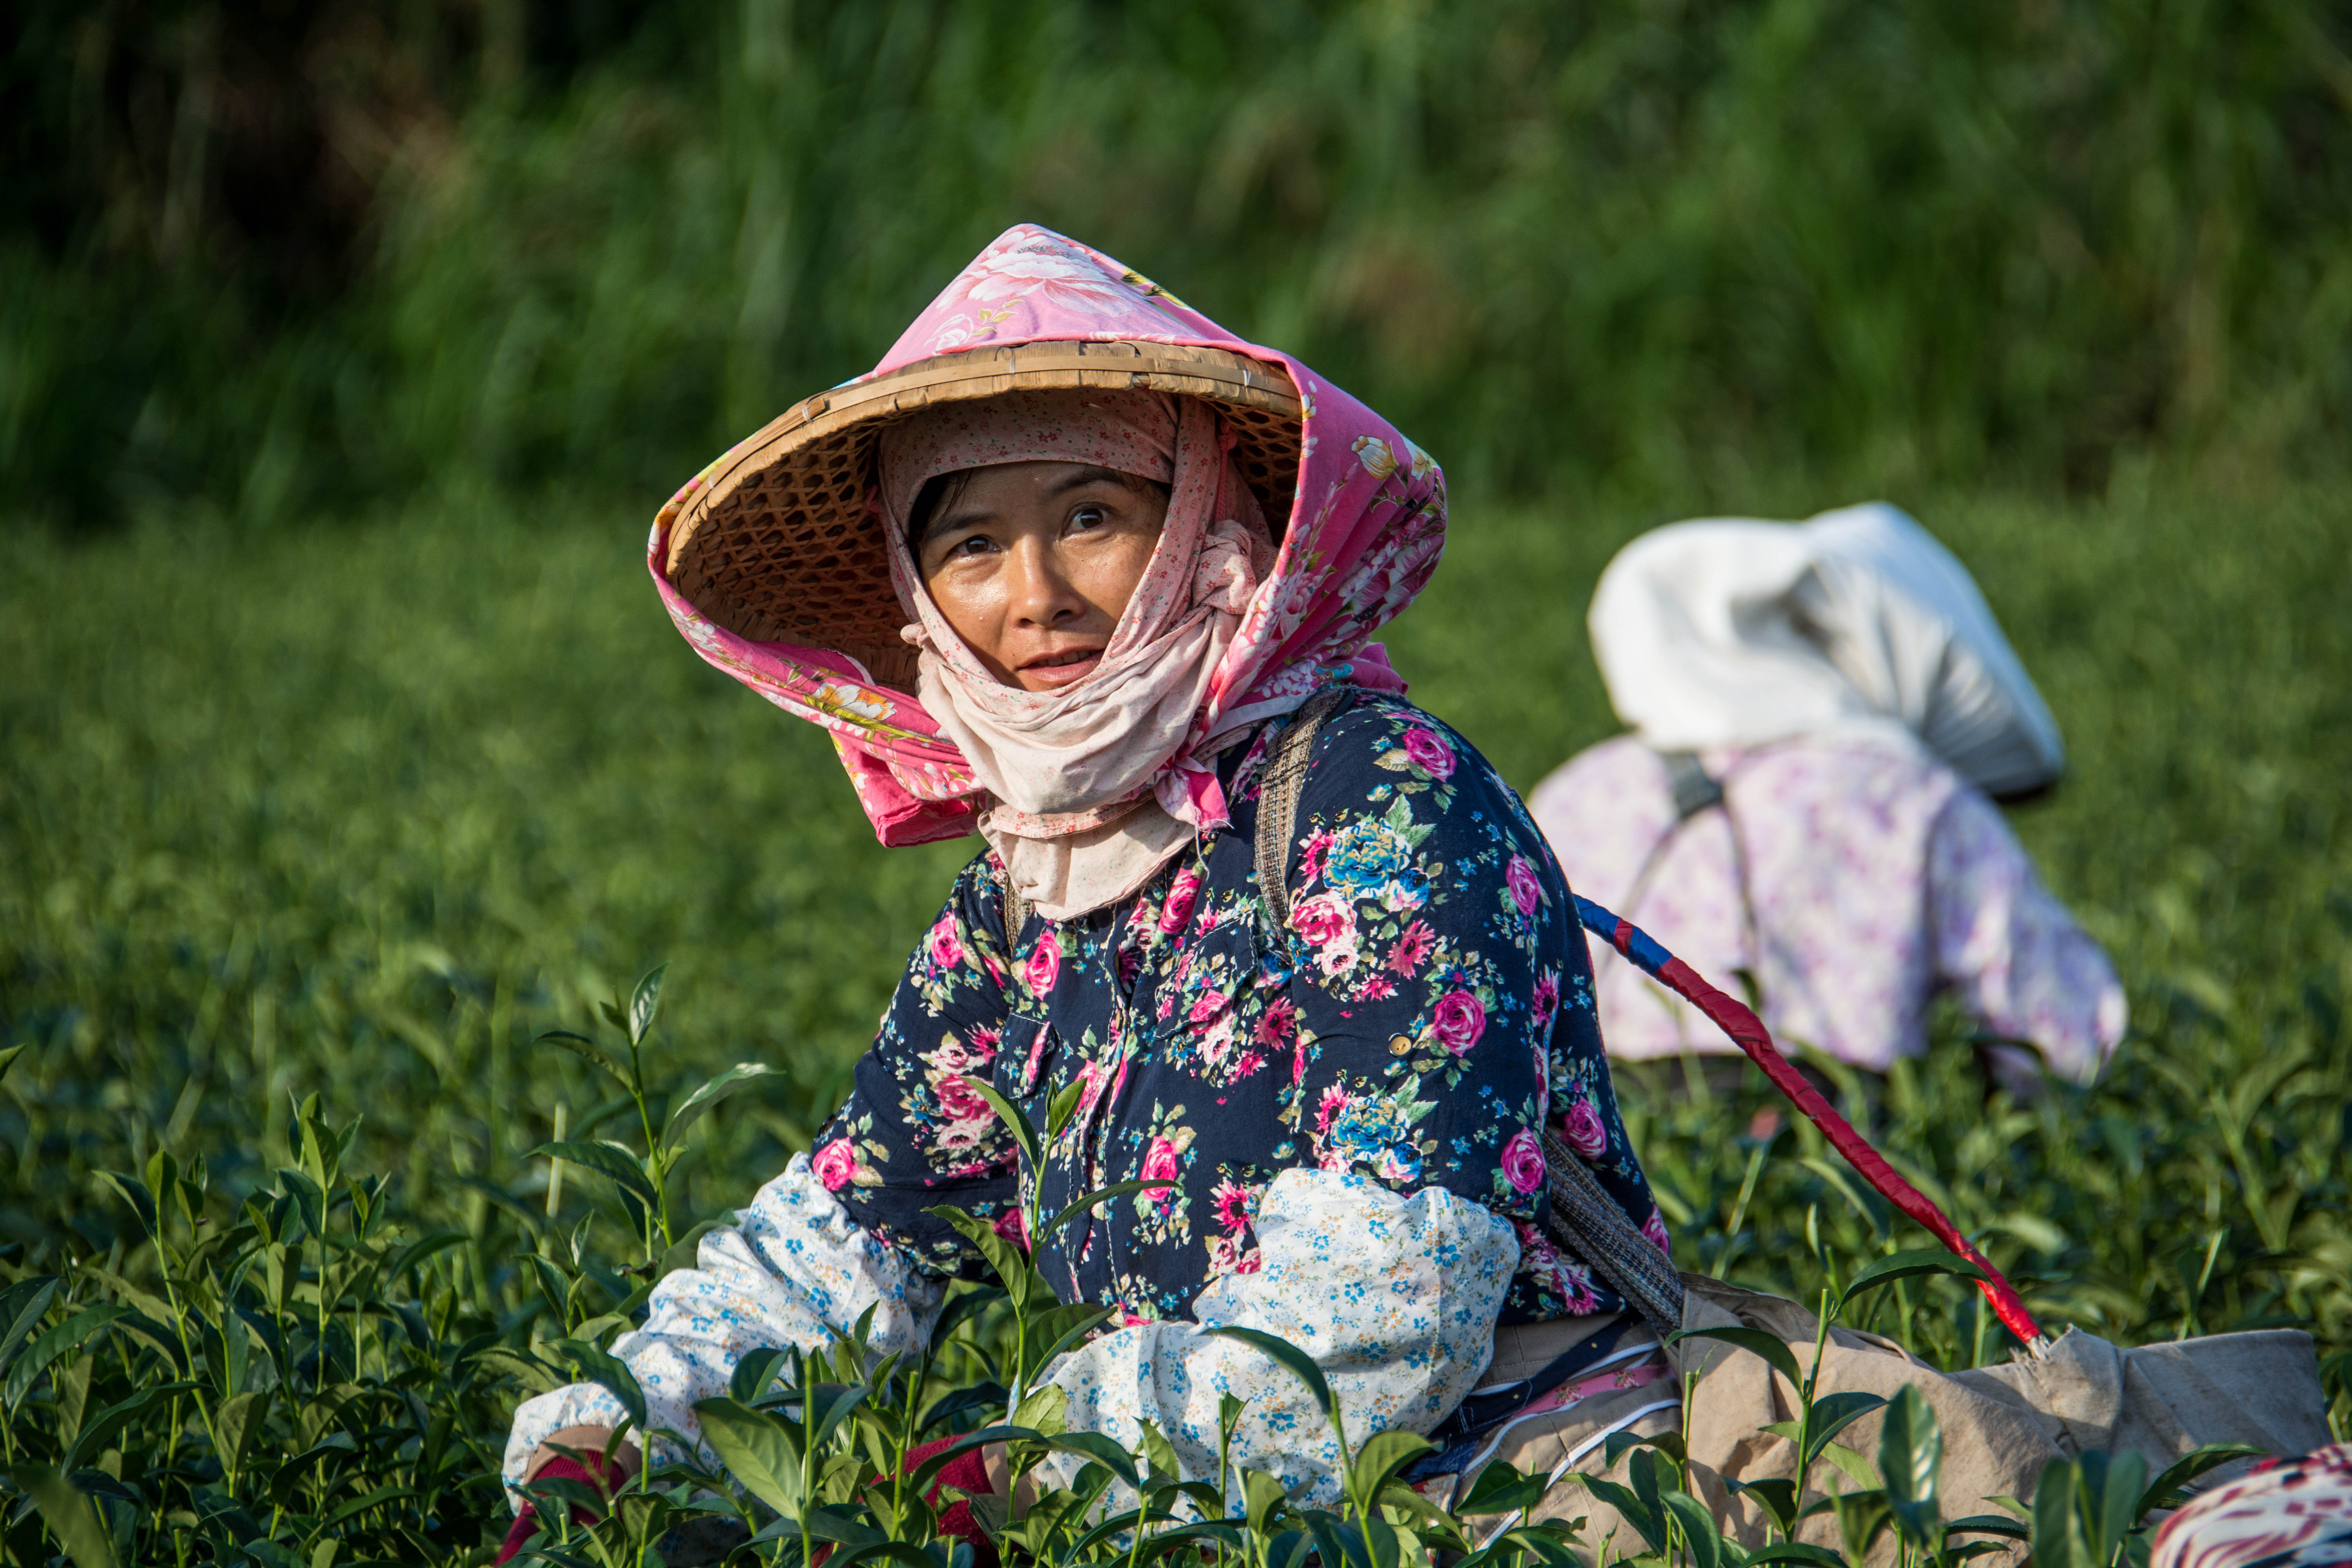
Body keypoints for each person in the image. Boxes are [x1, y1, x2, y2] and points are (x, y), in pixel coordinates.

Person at [496, 225, 1673, 1548]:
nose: (1035, 596)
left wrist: (1047, 1462)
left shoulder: (1375, 791)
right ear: (916, 590)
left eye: (1094, 518)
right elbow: (853, 1233)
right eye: (973, 547)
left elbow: (1393, 1288)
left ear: (1200, 525)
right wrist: (634, 1429)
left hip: (1504, 1483)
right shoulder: (1017, 896)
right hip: (1186, 1512)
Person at [1527, 503, 2126, 1092]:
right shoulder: (1913, 796)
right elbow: (2066, 1041)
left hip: (1595, 1160)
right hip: (1831, 1157)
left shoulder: (1576, 791)